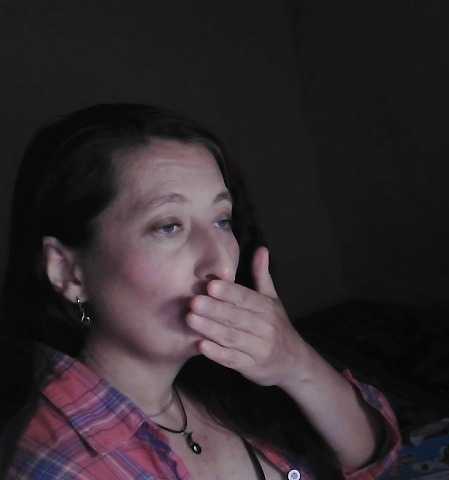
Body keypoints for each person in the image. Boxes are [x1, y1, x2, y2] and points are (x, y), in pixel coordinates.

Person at [0, 103, 400, 479]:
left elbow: (376, 458)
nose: (220, 264)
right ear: (67, 272)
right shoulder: (63, 465)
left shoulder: (222, 383)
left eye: (222, 220)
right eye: (168, 226)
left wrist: (296, 364)